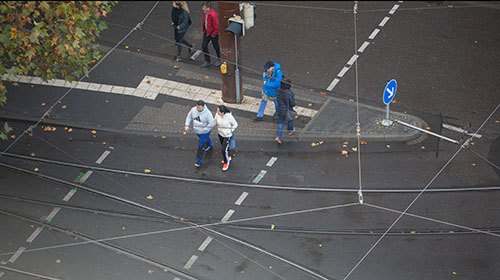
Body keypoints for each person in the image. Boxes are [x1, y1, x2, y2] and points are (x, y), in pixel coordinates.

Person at [184, 100, 214, 167]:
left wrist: (205, 129)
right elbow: (189, 117)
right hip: (197, 131)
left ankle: (198, 161)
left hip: (204, 132)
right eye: (197, 107)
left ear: (203, 107)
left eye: (199, 108)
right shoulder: (193, 109)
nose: (198, 109)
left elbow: (211, 124)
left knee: (201, 146)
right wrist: (187, 125)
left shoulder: (208, 114)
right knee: (205, 140)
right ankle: (210, 144)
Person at [214, 105, 238, 171]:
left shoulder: (229, 117)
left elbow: (235, 124)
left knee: (223, 149)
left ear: (222, 112)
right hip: (220, 134)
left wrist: (229, 131)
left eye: (218, 111)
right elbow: (215, 121)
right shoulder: (217, 115)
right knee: (224, 148)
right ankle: (228, 156)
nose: (217, 112)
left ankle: (226, 162)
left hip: (227, 136)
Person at [275, 78, 296, 144]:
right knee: (290, 119)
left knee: (281, 123)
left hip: (280, 109)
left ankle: (278, 136)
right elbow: (292, 104)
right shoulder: (289, 93)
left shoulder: (278, 91)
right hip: (288, 109)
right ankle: (290, 130)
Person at [201, 1, 221, 68]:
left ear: (208, 7)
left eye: (204, 7)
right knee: (204, 46)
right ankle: (207, 61)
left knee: (216, 46)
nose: (203, 9)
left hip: (212, 33)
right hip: (207, 32)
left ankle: (219, 59)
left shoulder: (213, 15)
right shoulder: (205, 12)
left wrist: (214, 34)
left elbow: (217, 26)